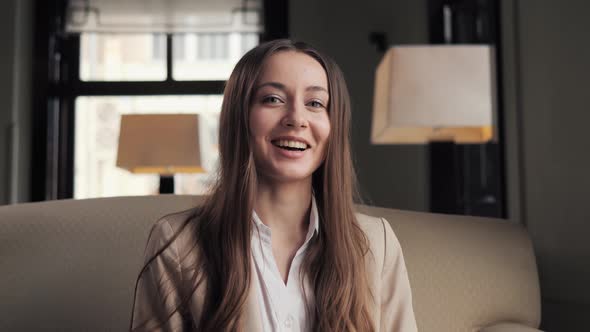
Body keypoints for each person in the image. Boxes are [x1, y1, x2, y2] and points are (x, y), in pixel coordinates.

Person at [130, 39, 417, 332]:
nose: (296, 119)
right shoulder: (178, 244)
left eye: (315, 103)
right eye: (273, 99)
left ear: (334, 127)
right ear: (240, 118)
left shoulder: (376, 244)